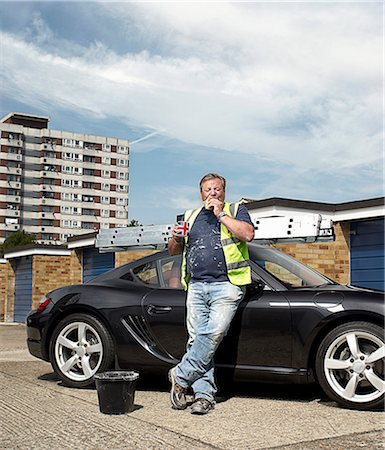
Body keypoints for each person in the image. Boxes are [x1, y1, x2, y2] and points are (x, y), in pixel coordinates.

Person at [168, 173, 255, 415]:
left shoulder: (236, 209)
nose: (212, 193)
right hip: (195, 285)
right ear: (201, 193)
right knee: (197, 341)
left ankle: (180, 375)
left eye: (217, 189)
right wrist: (175, 237)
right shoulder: (190, 216)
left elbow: (247, 234)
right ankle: (204, 396)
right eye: (208, 189)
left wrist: (221, 214)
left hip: (227, 284)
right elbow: (173, 251)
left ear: (223, 192)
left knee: (214, 334)